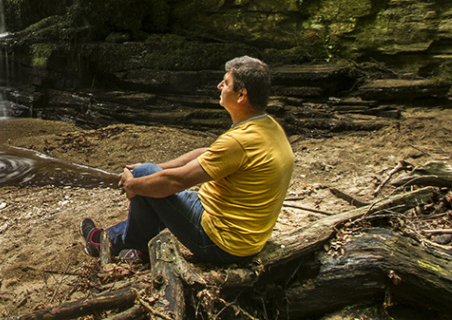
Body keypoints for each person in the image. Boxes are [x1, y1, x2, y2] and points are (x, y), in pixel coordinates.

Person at [80, 56, 294, 263]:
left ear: (241, 95)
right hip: (243, 236)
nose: (220, 86)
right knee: (152, 176)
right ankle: (123, 242)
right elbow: (207, 153)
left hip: (220, 243)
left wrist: (133, 183)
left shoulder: (239, 141)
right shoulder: (267, 127)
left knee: (145, 175)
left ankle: (116, 244)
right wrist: (160, 168)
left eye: (226, 83)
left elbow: (177, 182)